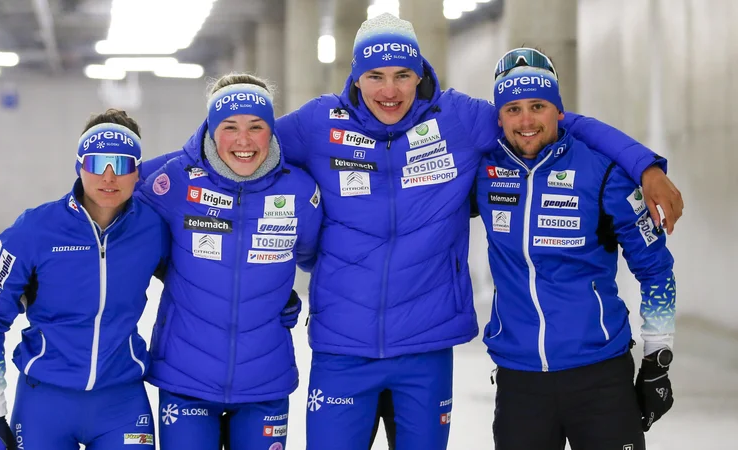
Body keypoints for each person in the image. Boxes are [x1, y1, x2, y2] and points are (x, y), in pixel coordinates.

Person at [272, 14, 683, 449]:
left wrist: (643, 164)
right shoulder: (319, 124)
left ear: (420, 74)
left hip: (440, 344)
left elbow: (549, 123)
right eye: (374, 76)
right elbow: (247, 149)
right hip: (350, 342)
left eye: (401, 75)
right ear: (355, 79)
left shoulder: (458, 119)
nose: (389, 91)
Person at [473, 48, 676, 450]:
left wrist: (657, 360)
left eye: (538, 106)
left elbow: (656, 270)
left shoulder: (604, 173)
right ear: (499, 117)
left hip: (600, 379)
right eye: (512, 109)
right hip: (520, 382)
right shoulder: (483, 172)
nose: (527, 120)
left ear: (559, 111)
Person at [136, 73, 322, 450]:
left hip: (264, 379)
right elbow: (111, 210)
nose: (243, 140)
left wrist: (278, 291)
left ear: (271, 130)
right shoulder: (172, 178)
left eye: (256, 127)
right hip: (185, 376)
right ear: (210, 128)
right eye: (230, 127)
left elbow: (312, 255)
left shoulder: (299, 190)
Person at [0, 109, 169, 449]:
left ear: (137, 172)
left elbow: (200, 283)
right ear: (80, 166)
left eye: (121, 165)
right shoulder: (33, 230)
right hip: (44, 403)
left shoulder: (153, 230)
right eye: (97, 163)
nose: (109, 176)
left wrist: (273, 294)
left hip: (121, 402)